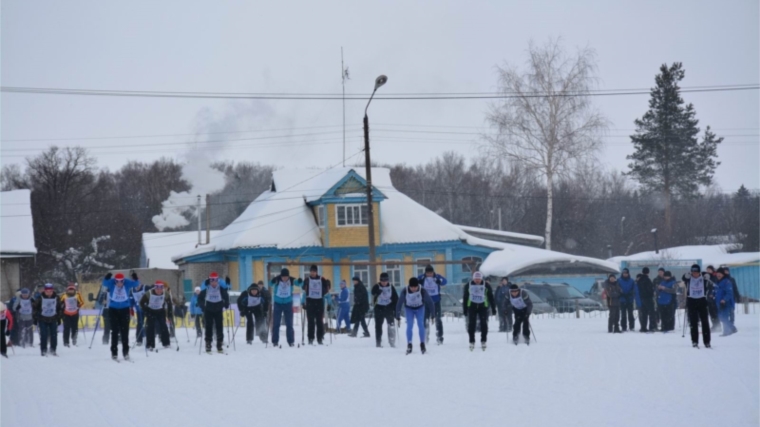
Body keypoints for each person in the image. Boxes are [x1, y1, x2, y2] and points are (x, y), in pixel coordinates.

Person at [102, 272, 141, 360]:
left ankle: (125, 352)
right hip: (113, 309)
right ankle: (114, 352)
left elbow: (136, 283)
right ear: (115, 281)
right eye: (117, 281)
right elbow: (104, 282)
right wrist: (107, 277)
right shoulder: (111, 283)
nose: (119, 283)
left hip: (124, 309)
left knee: (125, 332)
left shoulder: (127, 283)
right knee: (114, 331)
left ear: (124, 281)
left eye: (121, 281)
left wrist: (135, 278)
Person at [396, 277, 434, 355]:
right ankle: (409, 344)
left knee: (420, 324)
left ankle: (422, 344)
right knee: (409, 325)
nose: (413, 289)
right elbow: (399, 303)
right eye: (412, 287)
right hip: (409, 308)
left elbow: (430, 302)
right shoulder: (405, 291)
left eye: (415, 287)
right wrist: (397, 316)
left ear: (418, 286)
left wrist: (433, 314)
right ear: (409, 286)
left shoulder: (422, 290)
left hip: (420, 308)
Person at [462, 271, 495, 351]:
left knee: (484, 323)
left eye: (479, 279)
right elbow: (465, 297)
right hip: (472, 306)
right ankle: (471, 341)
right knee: (471, 324)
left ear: (481, 279)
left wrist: (494, 308)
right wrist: (465, 309)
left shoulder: (486, 285)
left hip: (483, 306)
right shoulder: (468, 285)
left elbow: (491, 297)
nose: (477, 280)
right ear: (473, 278)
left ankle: (483, 340)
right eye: (476, 279)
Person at [198, 274, 230, 353]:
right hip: (208, 310)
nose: (213, 282)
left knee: (219, 327)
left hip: (218, 310)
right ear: (209, 281)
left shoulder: (221, 289)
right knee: (208, 327)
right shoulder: (206, 289)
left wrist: (226, 304)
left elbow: (226, 297)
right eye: (212, 280)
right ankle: (208, 344)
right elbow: (200, 299)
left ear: (217, 281)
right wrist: (202, 306)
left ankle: (219, 344)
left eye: (215, 280)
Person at [416, 265, 448, 345]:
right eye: (428, 273)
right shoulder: (422, 277)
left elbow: (445, 282)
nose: (429, 274)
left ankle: (439, 337)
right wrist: (418, 282)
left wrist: (439, 281)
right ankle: (425, 337)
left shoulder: (437, 277)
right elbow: (414, 282)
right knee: (425, 320)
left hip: (435, 302)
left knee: (438, 320)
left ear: (433, 272)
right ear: (425, 272)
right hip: (425, 302)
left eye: (431, 273)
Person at [270, 268, 301, 348]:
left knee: (289, 323)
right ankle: (275, 341)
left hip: (288, 303)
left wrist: (300, 281)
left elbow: (299, 283)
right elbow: (270, 284)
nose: (284, 278)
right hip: (278, 303)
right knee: (276, 323)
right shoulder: (277, 280)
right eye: (283, 277)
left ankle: (291, 341)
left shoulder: (291, 280)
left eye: (286, 277)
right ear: (281, 276)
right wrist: (272, 281)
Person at [140, 281, 173, 350]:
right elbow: (141, 303)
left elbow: (169, 303)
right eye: (157, 289)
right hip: (151, 311)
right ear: (155, 288)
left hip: (160, 311)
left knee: (163, 326)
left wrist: (169, 313)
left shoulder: (165, 293)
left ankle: (166, 343)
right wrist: (146, 310)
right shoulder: (149, 293)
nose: (159, 291)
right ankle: (150, 344)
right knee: (150, 327)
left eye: (160, 289)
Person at [684, 264, 712, 348]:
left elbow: (710, 277)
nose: (694, 274)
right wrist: (687, 276)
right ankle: (694, 341)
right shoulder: (688, 277)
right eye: (693, 272)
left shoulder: (703, 277)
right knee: (693, 322)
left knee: (705, 322)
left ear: (699, 272)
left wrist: (707, 275)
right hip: (691, 300)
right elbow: (684, 277)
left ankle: (707, 341)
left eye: (696, 272)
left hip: (702, 300)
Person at [302, 265, 330, 345]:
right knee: (310, 322)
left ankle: (320, 338)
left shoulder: (321, 279)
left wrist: (326, 288)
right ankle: (310, 338)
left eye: (314, 271)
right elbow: (303, 288)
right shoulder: (307, 279)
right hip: (310, 301)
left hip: (319, 301)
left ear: (316, 272)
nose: (312, 273)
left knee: (319, 321)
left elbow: (327, 288)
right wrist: (303, 302)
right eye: (311, 271)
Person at [33, 283, 63, 356]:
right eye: (47, 291)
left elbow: (60, 308)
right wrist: (36, 318)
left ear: (53, 291)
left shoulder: (57, 298)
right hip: (42, 319)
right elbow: (34, 308)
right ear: (44, 291)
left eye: (50, 291)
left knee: (54, 335)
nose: (49, 293)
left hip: (53, 319)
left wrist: (59, 318)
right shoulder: (40, 298)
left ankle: (53, 349)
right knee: (43, 335)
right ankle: (43, 350)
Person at [371, 272, 399, 348]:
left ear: (388, 280)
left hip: (388, 308)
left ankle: (392, 342)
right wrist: (377, 292)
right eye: (382, 281)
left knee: (391, 325)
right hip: (379, 308)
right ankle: (378, 342)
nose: (384, 282)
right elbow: (372, 292)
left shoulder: (391, 287)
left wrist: (395, 309)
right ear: (380, 280)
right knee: (378, 326)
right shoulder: (377, 286)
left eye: (385, 280)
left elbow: (396, 298)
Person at [714, 268, 735, 336]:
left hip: (725, 303)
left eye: (720, 274)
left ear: (723, 274)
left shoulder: (726, 282)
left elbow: (729, 293)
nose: (718, 275)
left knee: (724, 317)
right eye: (717, 274)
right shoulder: (717, 282)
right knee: (721, 317)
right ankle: (729, 330)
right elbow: (716, 291)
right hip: (718, 303)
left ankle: (729, 330)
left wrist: (724, 299)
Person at [635, 267, 656, 333]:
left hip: (642, 298)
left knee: (644, 314)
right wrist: (652, 293)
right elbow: (650, 289)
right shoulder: (647, 280)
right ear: (648, 272)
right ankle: (652, 327)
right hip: (648, 298)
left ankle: (643, 327)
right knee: (651, 313)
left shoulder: (639, 280)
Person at [129, 280, 147, 347]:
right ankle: (139, 339)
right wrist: (131, 310)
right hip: (139, 310)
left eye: (138, 285)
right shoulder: (132, 290)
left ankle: (148, 337)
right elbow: (131, 301)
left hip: (147, 309)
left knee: (148, 323)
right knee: (140, 324)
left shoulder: (145, 288)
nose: (137, 287)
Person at [723, 266, 740, 333]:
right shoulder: (721, 280)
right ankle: (727, 326)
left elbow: (735, 288)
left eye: (727, 271)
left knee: (731, 312)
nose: (726, 272)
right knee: (724, 313)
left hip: (731, 298)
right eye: (724, 271)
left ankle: (731, 323)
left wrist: (737, 296)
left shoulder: (732, 279)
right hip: (723, 298)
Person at [704, 266, 721, 331]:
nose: (708, 271)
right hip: (708, 297)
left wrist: (712, 294)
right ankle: (714, 325)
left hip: (714, 297)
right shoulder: (707, 277)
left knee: (715, 312)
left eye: (709, 269)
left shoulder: (715, 277)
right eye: (707, 269)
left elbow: (715, 286)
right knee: (711, 312)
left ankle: (717, 325)